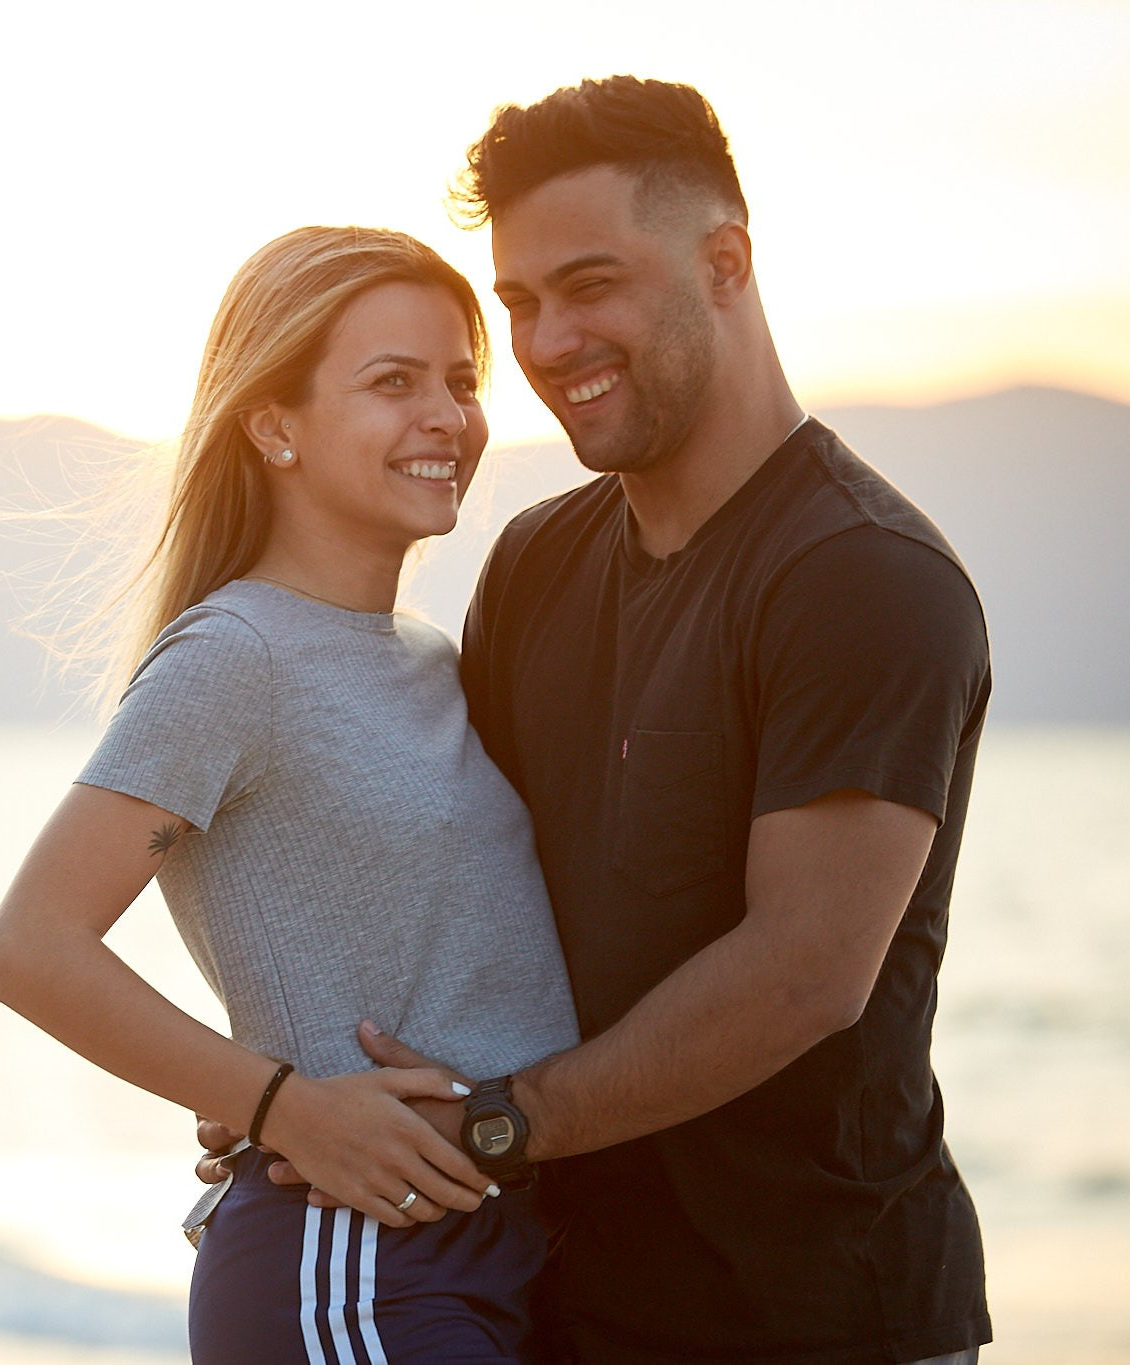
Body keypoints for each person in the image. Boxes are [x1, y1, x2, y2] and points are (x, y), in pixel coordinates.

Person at [198, 77, 993, 1365]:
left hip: (810, 1321)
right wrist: (295, 1091)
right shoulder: (534, 563)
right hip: (547, 1303)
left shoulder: (862, 577)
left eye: (589, 284)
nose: (547, 339)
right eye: (516, 301)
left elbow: (802, 973)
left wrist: (490, 1127)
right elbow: (449, 872)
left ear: (722, 262)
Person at [0, 225, 582, 1363]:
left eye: (459, 382)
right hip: (353, 1264)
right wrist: (279, 1106)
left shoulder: (425, 658)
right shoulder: (234, 655)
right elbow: (29, 948)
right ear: (272, 425)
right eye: (391, 383)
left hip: (494, 1247)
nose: (446, 417)